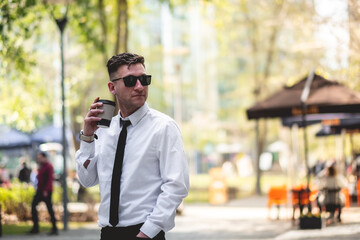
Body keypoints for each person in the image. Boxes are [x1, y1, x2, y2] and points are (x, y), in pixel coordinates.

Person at [76, 52, 189, 240]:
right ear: (112, 87)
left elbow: (176, 185)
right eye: (130, 81)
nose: (139, 86)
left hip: (145, 232)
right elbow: (87, 180)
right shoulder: (104, 130)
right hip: (108, 233)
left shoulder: (163, 127)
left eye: (144, 79)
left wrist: (147, 232)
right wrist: (87, 136)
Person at [28, 151, 58, 235]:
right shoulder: (41, 166)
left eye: (40, 157)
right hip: (40, 191)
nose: (38, 159)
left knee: (50, 209)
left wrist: (46, 190)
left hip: (46, 191)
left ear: (44, 157)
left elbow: (49, 179)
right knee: (33, 206)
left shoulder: (48, 166)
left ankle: (54, 229)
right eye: (38, 158)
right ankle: (35, 228)